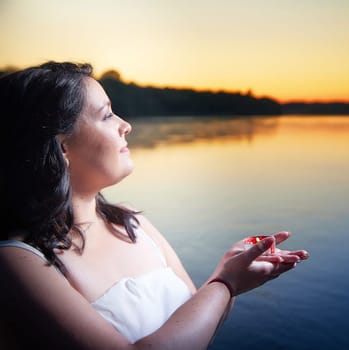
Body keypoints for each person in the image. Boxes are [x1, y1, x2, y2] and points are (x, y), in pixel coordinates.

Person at [0, 61, 309, 349]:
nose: (126, 126)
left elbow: (201, 328)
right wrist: (226, 282)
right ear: (62, 146)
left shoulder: (132, 223)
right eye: (107, 115)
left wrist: (231, 275)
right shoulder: (16, 261)